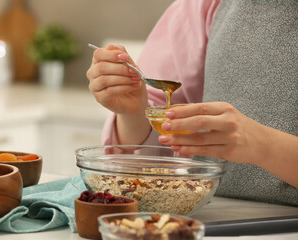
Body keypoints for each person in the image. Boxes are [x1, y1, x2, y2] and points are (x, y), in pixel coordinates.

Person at [86, 0, 298, 206]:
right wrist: (135, 113)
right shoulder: (202, 6)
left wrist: (265, 146)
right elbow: (162, 154)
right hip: (211, 215)